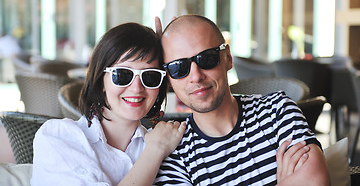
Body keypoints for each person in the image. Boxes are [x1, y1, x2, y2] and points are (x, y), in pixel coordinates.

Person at [154, 15, 330, 185]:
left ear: (227, 58)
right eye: (178, 67)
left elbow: (316, 181)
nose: (196, 76)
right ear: (168, 78)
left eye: (207, 58)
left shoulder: (277, 111)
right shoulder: (174, 154)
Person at [31, 23, 186, 185]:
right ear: (101, 81)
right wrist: (155, 150)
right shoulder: (58, 137)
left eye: (150, 76)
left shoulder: (168, 143)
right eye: (123, 74)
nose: (136, 88)